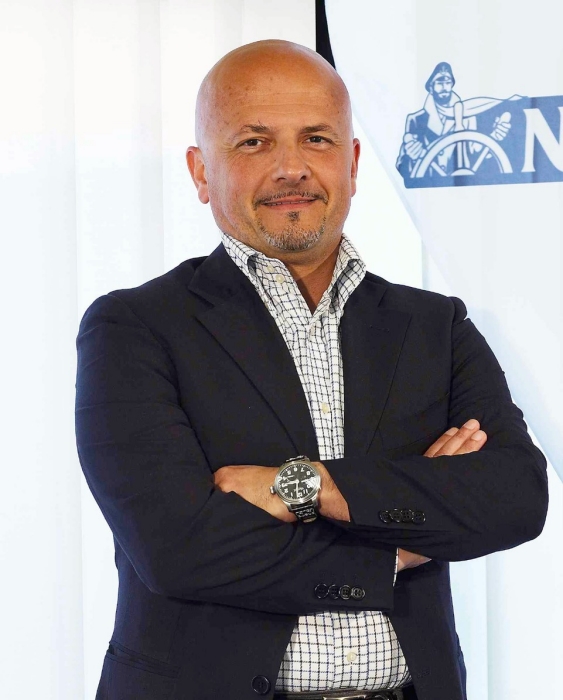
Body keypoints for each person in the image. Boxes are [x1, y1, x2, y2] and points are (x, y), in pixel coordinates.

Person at [75, 40, 548, 700]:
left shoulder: (433, 325)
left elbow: (515, 498)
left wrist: (304, 487)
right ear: (201, 171)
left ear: (351, 163)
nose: (291, 167)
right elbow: (178, 548)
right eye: (254, 142)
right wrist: (399, 543)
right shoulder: (133, 328)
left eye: (316, 139)